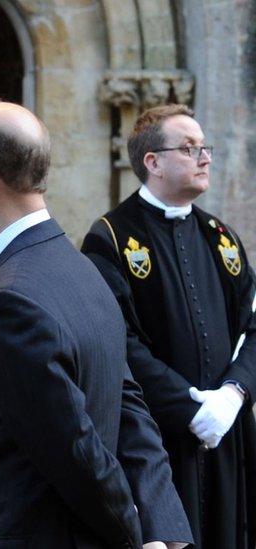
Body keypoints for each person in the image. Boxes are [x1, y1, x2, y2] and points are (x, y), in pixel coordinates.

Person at [0, 97, 192, 547]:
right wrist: (162, 528)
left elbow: (76, 450)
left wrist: (137, 536)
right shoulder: (83, 270)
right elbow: (131, 410)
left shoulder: (9, 300)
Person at [82, 104, 256, 548]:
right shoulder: (111, 238)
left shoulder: (222, 237)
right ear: (152, 162)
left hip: (227, 437)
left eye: (205, 148)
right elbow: (115, 340)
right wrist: (189, 408)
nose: (205, 157)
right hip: (157, 440)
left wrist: (233, 395)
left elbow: (254, 326)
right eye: (190, 147)